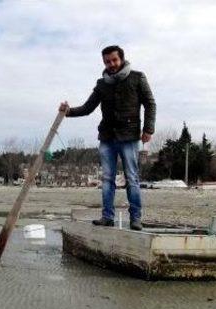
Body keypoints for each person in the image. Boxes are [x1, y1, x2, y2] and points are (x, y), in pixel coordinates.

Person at [59, 45, 156, 230]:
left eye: (114, 60)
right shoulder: (102, 84)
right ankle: (107, 217)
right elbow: (88, 108)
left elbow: (150, 104)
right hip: (107, 138)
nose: (111, 64)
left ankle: (136, 218)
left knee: (132, 179)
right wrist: (68, 112)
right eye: (107, 61)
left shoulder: (137, 77)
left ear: (121, 59)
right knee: (107, 179)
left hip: (129, 137)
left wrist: (148, 129)